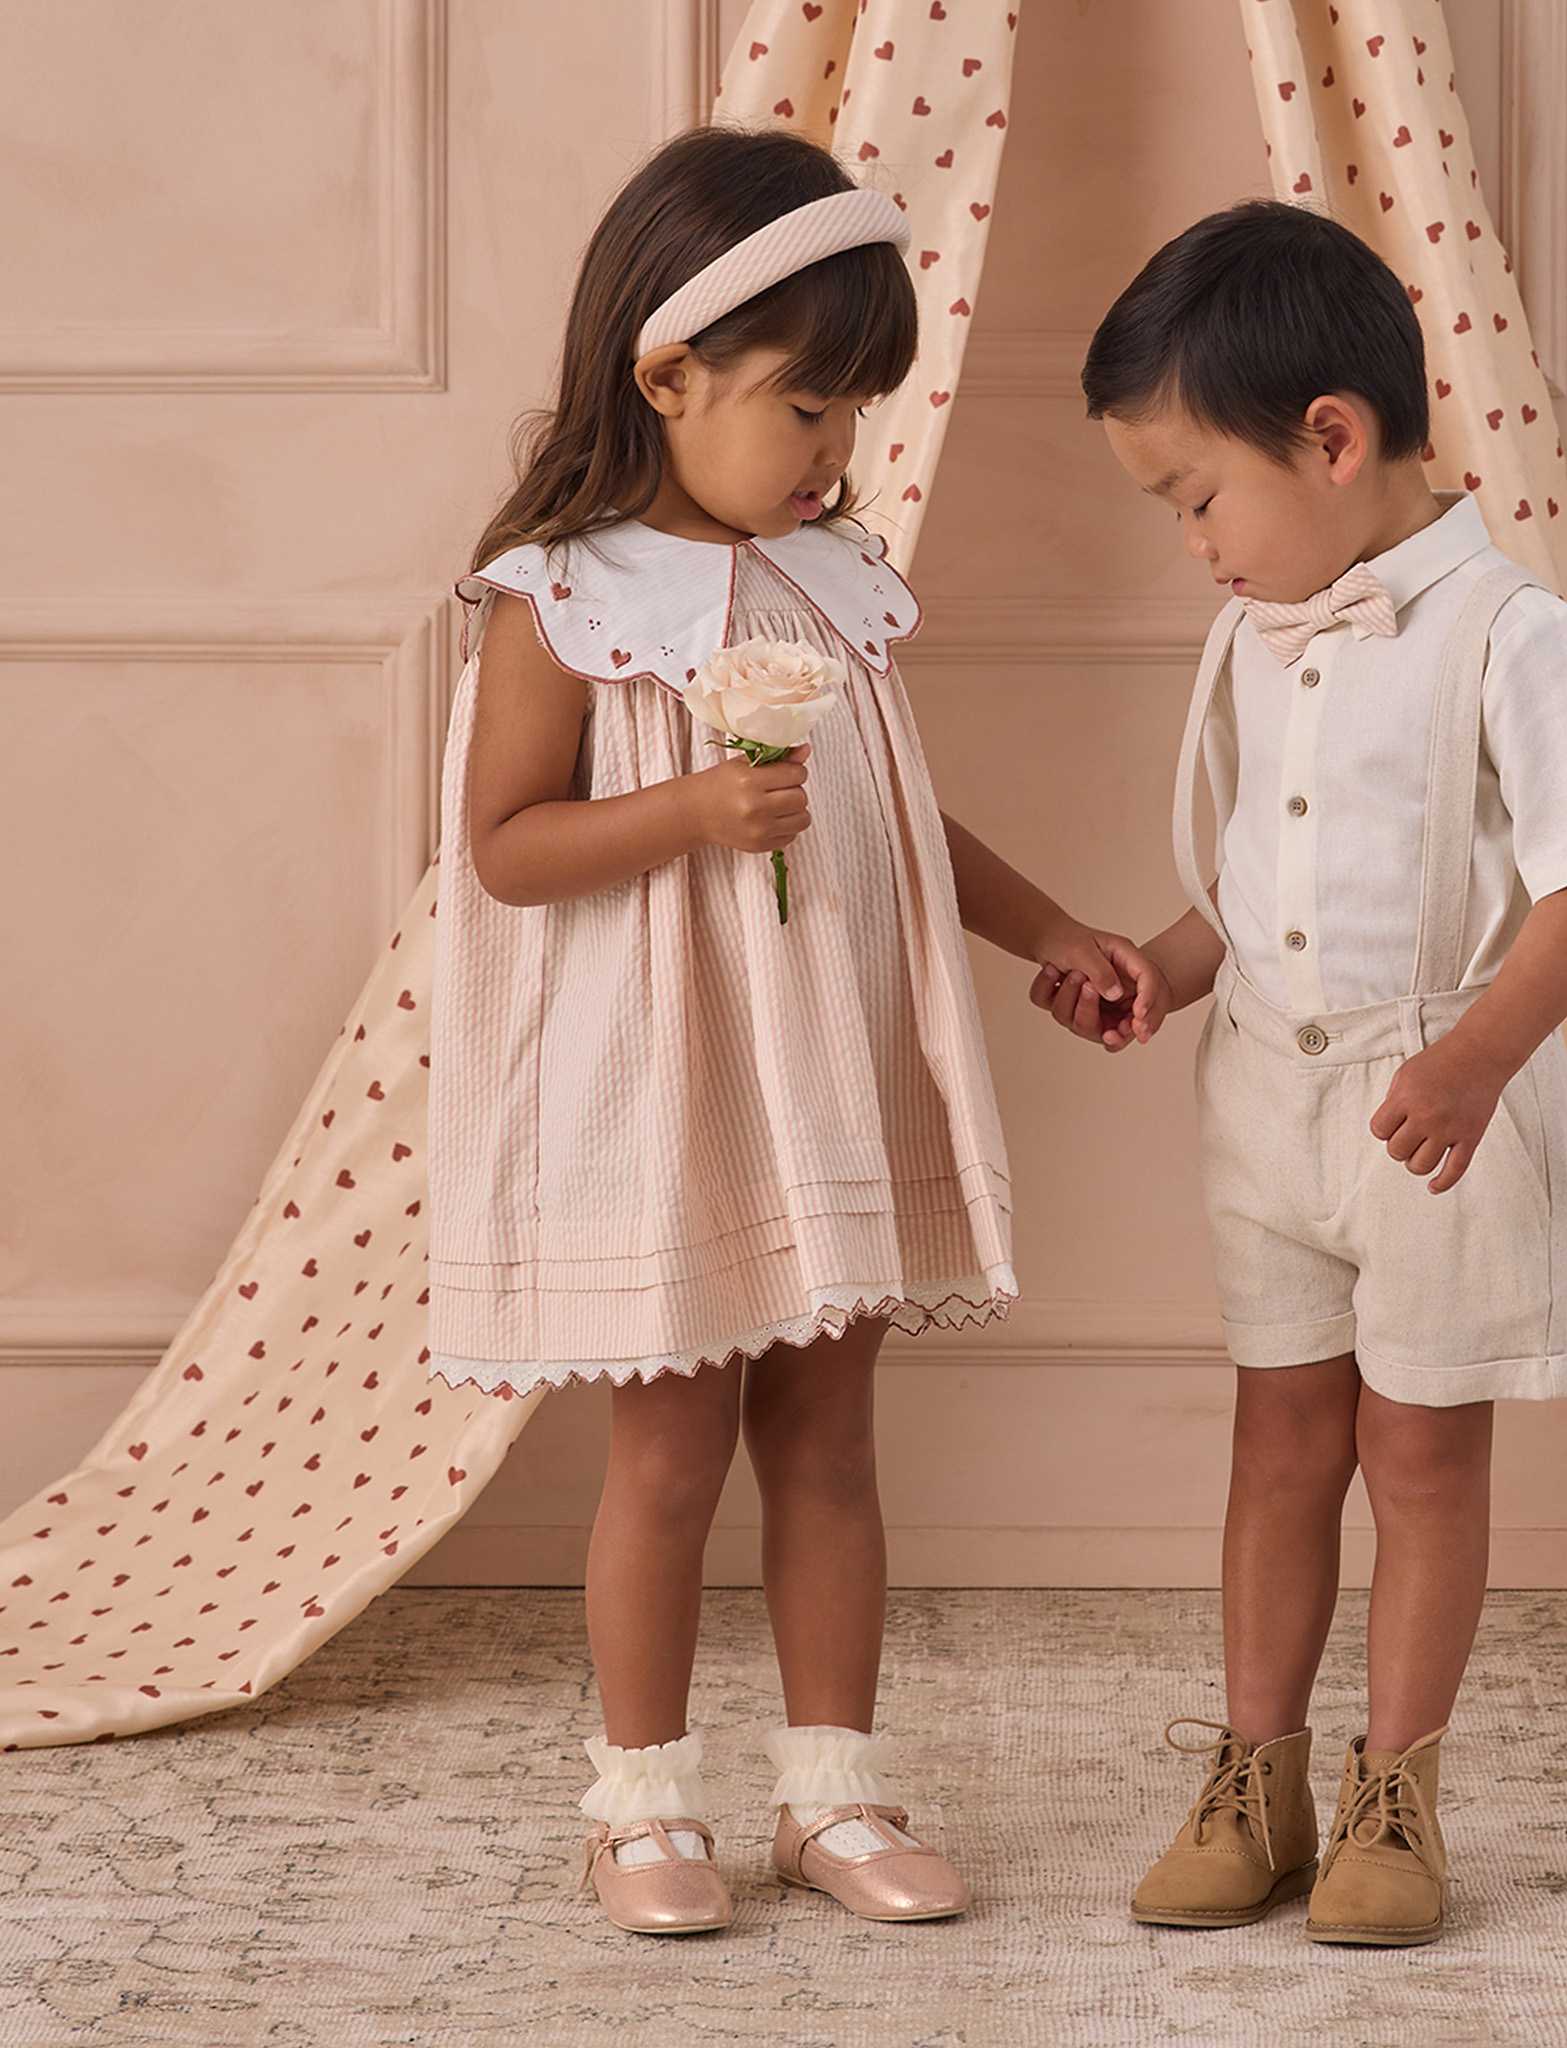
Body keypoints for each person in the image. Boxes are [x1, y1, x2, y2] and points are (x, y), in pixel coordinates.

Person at [428, 125, 1157, 1936]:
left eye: (855, 415)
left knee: (830, 1441)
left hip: (823, 1068)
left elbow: (893, 815)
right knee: (672, 1455)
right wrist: (687, 810)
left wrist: (1051, 927)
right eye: (805, 407)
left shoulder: (829, 581)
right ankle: (640, 1807)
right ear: (666, 374)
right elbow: (506, 849)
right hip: (673, 1081)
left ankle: (831, 1792)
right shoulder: (561, 598)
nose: (835, 451)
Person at [1036, 199, 1567, 1946]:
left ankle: (1399, 1792)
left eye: (1196, 498)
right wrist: (1164, 970)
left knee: (1422, 1450)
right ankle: (1258, 1776)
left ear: (1330, 439)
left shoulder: (1514, 636)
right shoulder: (1265, 632)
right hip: (1267, 1099)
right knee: (1280, 1439)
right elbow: (1260, 881)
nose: (1193, 547)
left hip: (1438, 1103)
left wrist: (1474, 1062)